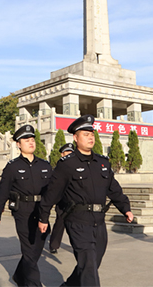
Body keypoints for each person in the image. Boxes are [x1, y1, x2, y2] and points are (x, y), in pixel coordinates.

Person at [38, 115, 133, 287]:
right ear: (75, 138)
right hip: (77, 221)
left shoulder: (102, 163)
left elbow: (114, 188)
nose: (90, 137)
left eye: (92, 134)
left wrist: (125, 208)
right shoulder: (67, 164)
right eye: (85, 134)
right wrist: (43, 216)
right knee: (88, 263)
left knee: (91, 263)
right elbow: (52, 192)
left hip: (99, 222)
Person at [0, 125, 52, 287]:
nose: (31, 142)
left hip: (42, 211)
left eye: (32, 139)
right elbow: (3, 192)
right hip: (23, 212)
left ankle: (20, 274)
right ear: (18, 144)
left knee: (35, 249)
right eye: (26, 140)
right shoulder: (12, 167)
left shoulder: (45, 165)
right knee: (28, 249)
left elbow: (54, 190)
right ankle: (33, 284)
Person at [49, 142, 75, 254]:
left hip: (75, 202)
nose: (69, 155)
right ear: (62, 154)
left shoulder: (77, 166)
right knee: (60, 223)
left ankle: (78, 246)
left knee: (76, 226)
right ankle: (54, 244)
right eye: (67, 153)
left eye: (71, 153)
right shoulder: (59, 167)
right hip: (62, 202)